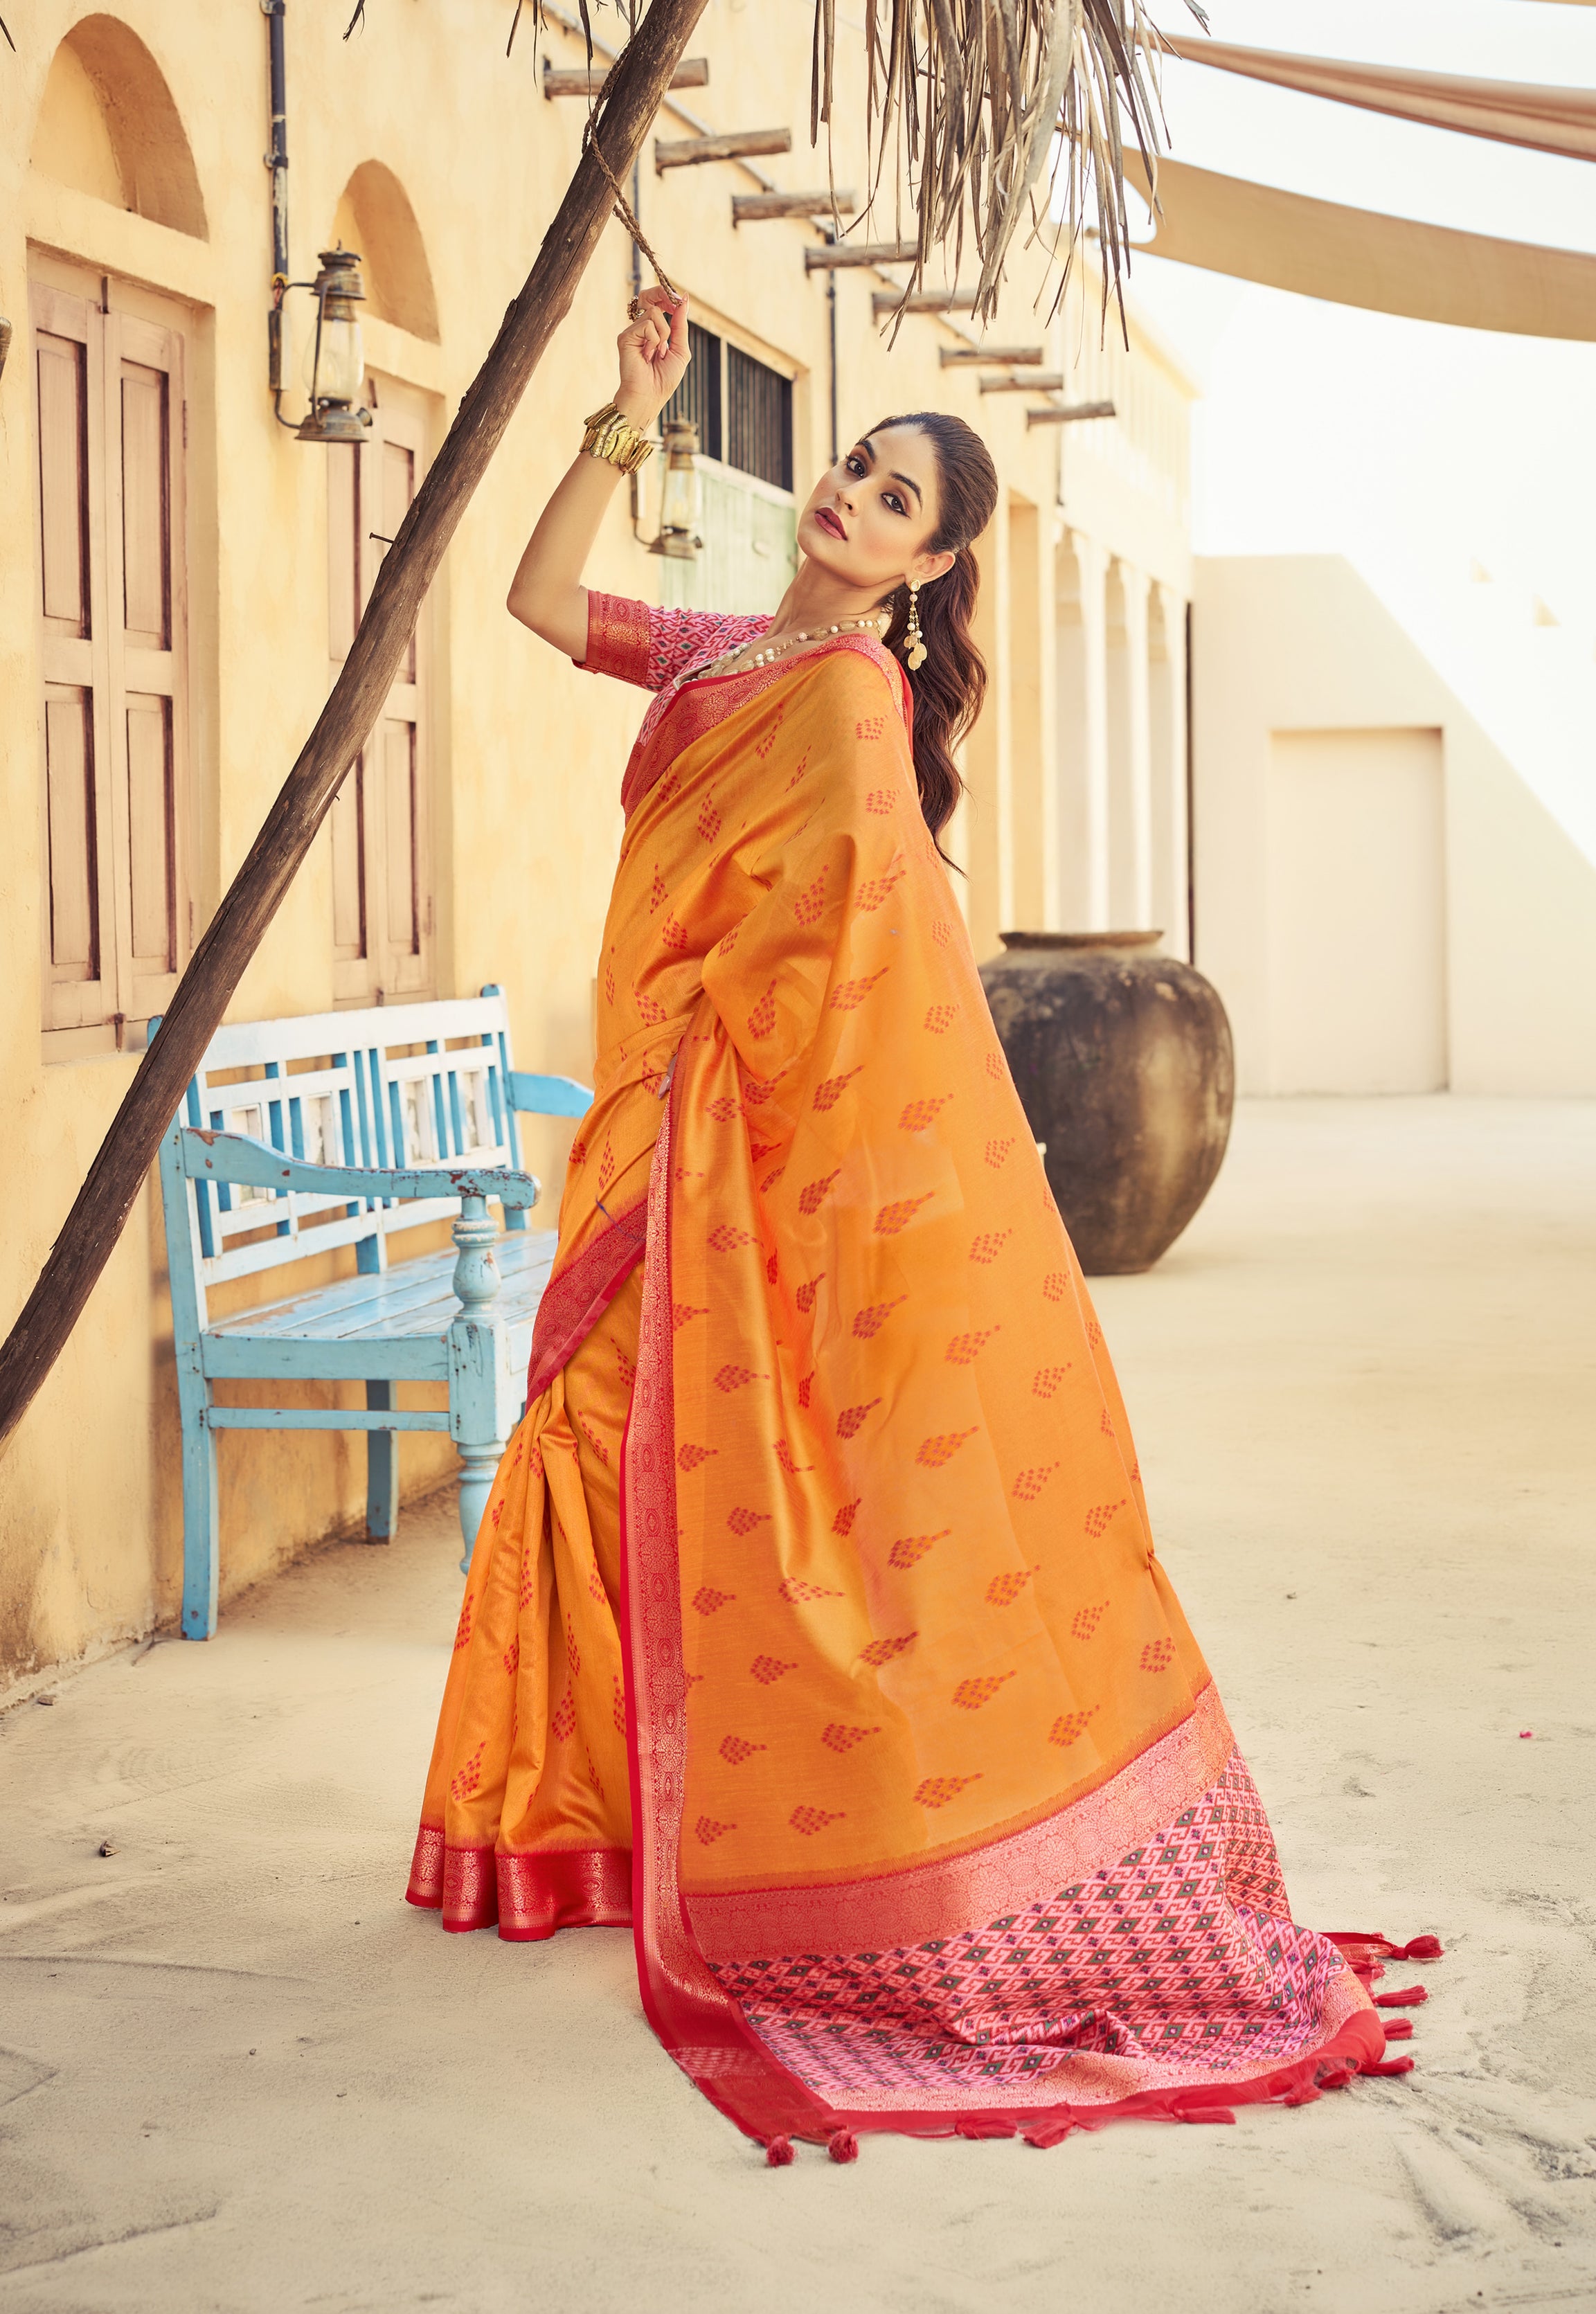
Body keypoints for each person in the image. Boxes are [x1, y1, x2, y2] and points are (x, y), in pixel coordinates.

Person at [405, 289, 1428, 2160]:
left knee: (661, 1462)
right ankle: (567, 1827)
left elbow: (857, 965)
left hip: (748, 1144)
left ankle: (758, 1846)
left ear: (927, 567)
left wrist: (740, 1069)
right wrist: (621, 415)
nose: (849, 502)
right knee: (591, 1441)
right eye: (852, 473)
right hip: (669, 1122)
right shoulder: (727, 651)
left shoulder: (852, 699)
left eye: (891, 503)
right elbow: (545, 609)